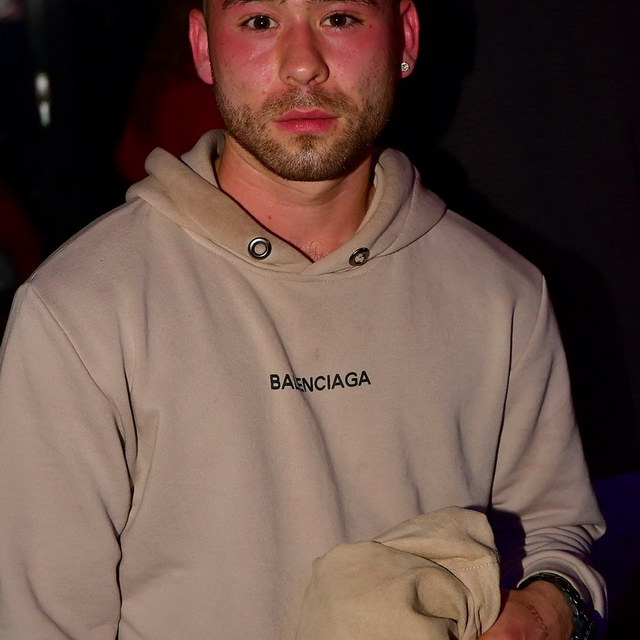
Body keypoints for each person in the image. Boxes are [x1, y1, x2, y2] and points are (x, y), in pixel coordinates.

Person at [0, 0, 605, 638]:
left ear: (405, 36)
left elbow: (554, 533)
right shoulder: (77, 312)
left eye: (339, 17)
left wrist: (543, 612)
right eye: (260, 21)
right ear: (203, 47)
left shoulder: (503, 292)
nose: (302, 65)